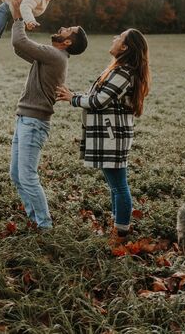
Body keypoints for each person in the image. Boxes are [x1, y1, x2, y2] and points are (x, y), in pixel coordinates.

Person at [56, 29, 150, 239]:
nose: (114, 38)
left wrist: (73, 98)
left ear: (124, 47)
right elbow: (96, 96)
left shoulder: (124, 72)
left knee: (118, 186)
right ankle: (118, 226)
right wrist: (74, 96)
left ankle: (121, 232)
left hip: (112, 136)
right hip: (110, 134)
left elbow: (99, 101)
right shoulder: (119, 70)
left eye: (119, 38)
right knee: (115, 185)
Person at [10, 3, 88, 229]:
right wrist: (20, 18)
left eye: (68, 30)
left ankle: (44, 226)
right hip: (25, 118)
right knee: (16, 174)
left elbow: (19, 41)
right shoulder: (50, 56)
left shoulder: (55, 56)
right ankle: (34, 218)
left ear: (67, 42)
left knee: (27, 176)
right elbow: (19, 48)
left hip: (34, 123)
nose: (63, 27)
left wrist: (18, 19)